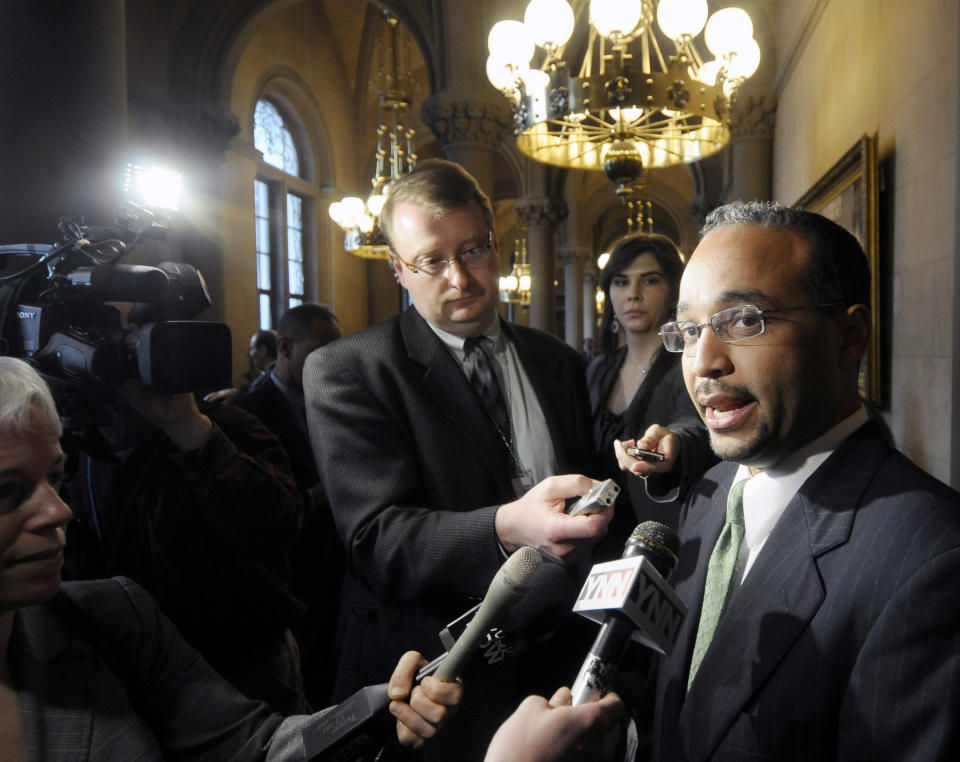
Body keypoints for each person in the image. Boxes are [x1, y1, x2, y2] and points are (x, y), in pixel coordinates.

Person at [602, 200, 960, 760]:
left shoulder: (933, 559)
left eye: (745, 320)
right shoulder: (710, 493)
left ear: (849, 337)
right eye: (690, 330)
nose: (704, 362)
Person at [0, 356, 463, 760]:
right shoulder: (94, 457)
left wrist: (380, 713)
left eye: (56, 478)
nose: (59, 510)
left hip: (246, 651)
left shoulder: (115, 617)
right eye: (7, 491)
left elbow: (259, 747)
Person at [303, 159, 611, 759]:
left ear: (497, 246)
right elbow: (377, 540)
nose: (459, 278)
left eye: (472, 251)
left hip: (557, 661)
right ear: (398, 268)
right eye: (431, 261)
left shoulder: (559, 362)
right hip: (431, 679)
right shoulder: (349, 370)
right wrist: (508, 525)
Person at [61, 369, 308, 714]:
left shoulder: (223, 426)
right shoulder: (73, 448)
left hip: (240, 670)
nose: (114, 409)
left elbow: (276, 526)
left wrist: (187, 427)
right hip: (121, 675)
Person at [234, 303, 344, 706]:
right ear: (284, 347)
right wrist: (314, 499)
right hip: (289, 588)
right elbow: (249, 510)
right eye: (323, 348)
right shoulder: (246, 415)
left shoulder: (338, 403)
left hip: (340, 581)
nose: (334, 359)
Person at [587, 233, 713, 559]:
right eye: (621, 282)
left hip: (664, 541)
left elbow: (692, 426)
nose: (633, 294)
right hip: (597, 540)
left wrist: (672, 443)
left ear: (673, 289)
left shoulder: (688, 364)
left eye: (650, 280)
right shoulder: (596, 370)